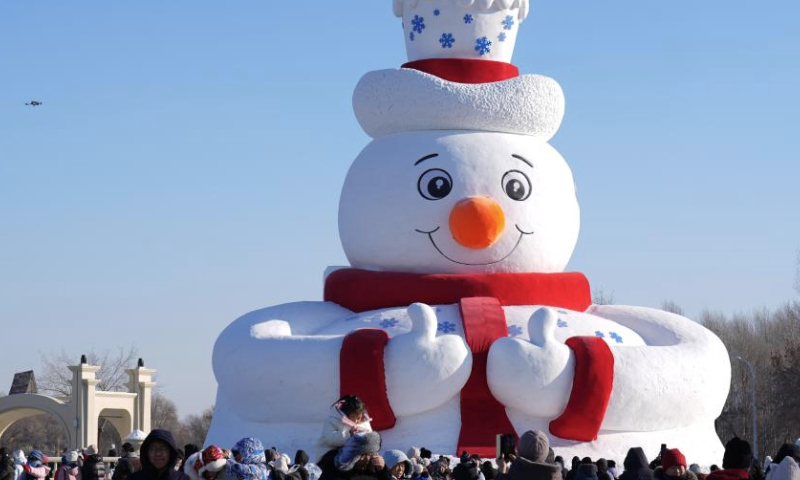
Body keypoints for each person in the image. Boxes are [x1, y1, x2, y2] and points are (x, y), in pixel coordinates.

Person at [318, 431, 387, 480]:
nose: (369, 458)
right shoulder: (334, 461)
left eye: (373, 453)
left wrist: (382, 470)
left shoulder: (375, 465)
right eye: (367, 454)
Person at [496, 430, 560, 480]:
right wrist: (520, 464)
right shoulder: (555, 476)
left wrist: (502, 469)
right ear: (546, 453)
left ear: (518, 450)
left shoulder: (513, 476)